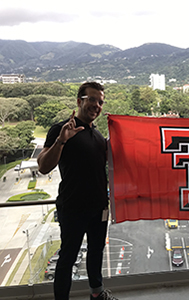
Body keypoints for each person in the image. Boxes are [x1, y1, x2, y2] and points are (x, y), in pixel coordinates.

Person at [37, 82, 118, 300]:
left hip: (99, 207)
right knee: (68, 257)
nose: (96, 105)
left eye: (100, 102)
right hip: (73, 207)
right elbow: (43, 166)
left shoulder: (98, 137)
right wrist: (61, 141)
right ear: (79, 101)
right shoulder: (62, 129)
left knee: (95, 253)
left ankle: (97, 294)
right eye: (92, 99)